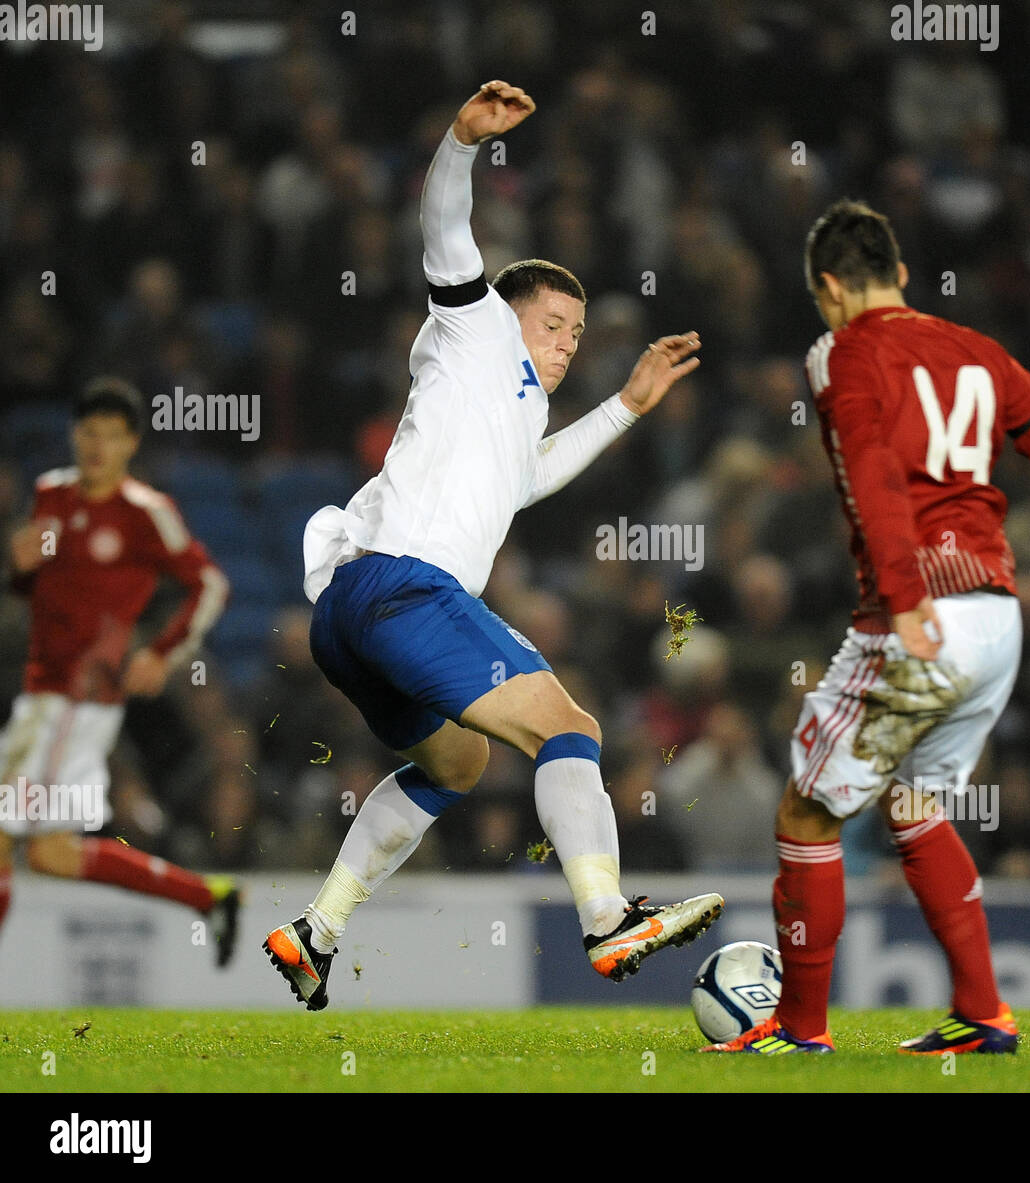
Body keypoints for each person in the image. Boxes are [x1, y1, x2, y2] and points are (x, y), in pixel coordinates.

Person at [265, 81, 721, 1010]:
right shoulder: (472, 327)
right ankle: (606, 918)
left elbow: (536, 474)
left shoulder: (511, 416)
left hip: (349, 611)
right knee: (574, 730)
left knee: (461, 764)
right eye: (552, 325)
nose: (564, 344)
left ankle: (314, 932)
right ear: (505, 312)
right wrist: (463, 143)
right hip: (404, 591)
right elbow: (444, 228)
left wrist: (627, 403)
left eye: (576, 335)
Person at [705, 199, 1030, 1055]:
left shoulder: (842, 353)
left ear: (828, 287)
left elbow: (874, 480)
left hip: (918, 614)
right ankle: (985, 1013)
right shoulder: (979, 351)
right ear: (900, 273)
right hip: (999, 620)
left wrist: (905, 597)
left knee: (807, 811)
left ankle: (800, 1031)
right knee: (915, 803)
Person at [0, 378, 240, 964]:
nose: (97, 447)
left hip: (76, 700)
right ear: (73, 434)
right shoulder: (51, 493)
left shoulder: (145, 512)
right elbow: (42, 584)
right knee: (53, 854)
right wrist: (21, 570)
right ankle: (207, 896)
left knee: (4, 838)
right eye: (88, 432)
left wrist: (161, 652)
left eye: (111, 435)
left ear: (131, 443)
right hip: (44, 691)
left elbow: (209, 584)